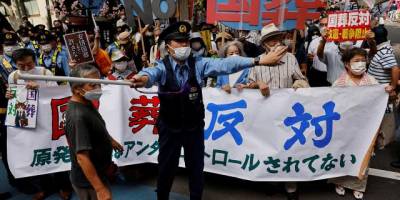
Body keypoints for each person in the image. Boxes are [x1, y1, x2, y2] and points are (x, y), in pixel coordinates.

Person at [129, 21, 287, 200]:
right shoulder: (161, 67)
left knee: (196, 169)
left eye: (186, 42)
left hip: (193, 128)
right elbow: (150, 74)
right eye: (179, 42)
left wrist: (257, 60)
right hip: (169, 129)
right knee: (166, 168)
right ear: (168, 46)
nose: (184, 46)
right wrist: (142, 78)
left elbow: (227, 64)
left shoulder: (199, 64)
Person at [329, 47, 391, 200]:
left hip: (365, 129)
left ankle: (358, 185)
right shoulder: (339, 84)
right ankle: (340, 183)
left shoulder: (372, 82)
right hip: (344, 128)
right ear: (346, 64)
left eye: (363, 60)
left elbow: (380, 102)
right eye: (356, 61)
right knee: (342, 154)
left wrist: (387, 92)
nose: (361, 64)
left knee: (362, 156)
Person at [65, 64, 123, 200]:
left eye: (99, 84)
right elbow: (82, 157)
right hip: (89, 183)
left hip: (99, 172)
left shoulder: (86, 102)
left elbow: (95, 126)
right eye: (93, 85)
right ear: (77, 89)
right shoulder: (77, 116)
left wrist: (110, 140)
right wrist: (100, 189)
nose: (98, 89)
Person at [246, 23, 309, 97]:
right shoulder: (258, 60)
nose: (277, 42)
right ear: (264, 45)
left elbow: (300, 79)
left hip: (285, 102)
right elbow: (249, 84)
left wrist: (299, 83)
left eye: (278, 39)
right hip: (264, 104)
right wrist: (259, 83)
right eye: (272, 40)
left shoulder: (290, 58)